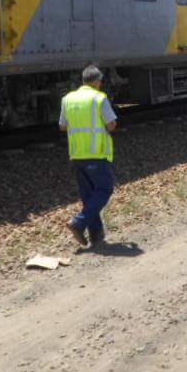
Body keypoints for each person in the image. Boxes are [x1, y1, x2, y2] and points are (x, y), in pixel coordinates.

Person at [59, 65, 118, 248]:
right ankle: (78, 222)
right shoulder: (99, 99)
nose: (101, 84)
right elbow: (111, 125)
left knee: (89, 195)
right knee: (104, 190)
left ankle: (96, 235)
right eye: (101, 81)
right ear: (97, 81)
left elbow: (62, 126)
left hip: (77, 155)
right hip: (97, 153)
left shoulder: (67, 99)